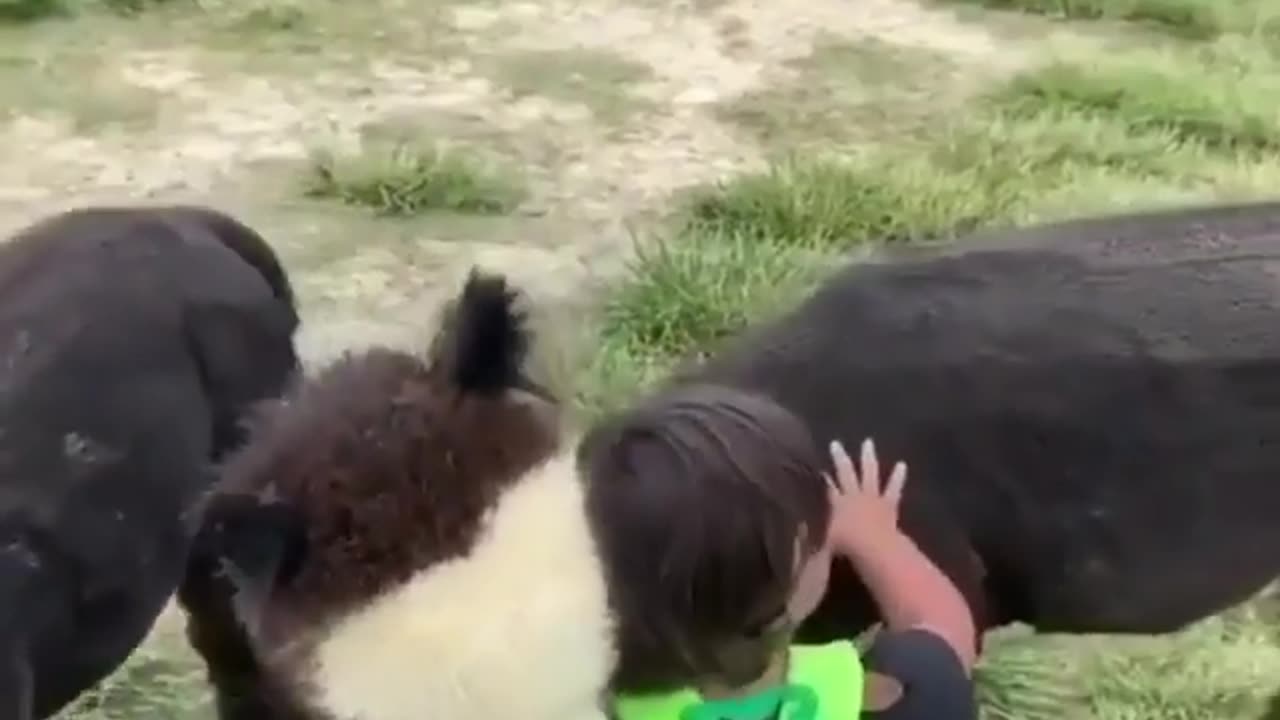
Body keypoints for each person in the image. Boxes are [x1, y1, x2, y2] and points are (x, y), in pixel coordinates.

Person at [580, 384, 979, 720]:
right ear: (793, 587)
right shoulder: (908, 698)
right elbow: (946, 634)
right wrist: (875, 539)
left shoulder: (577, 705)